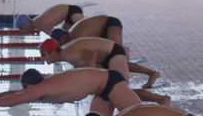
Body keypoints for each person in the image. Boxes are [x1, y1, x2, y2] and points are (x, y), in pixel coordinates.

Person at [38, 36, 169, 104]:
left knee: (121, 88)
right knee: (111, 86)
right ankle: (152, 76)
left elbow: (91, 54)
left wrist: (89, 77)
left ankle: (160, 99)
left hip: (112, 53)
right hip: (107, 55)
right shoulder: (66, 53)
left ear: (52, 52)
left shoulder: (68, 53)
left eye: (43, 54)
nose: (42, 58)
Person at [0, 67, 142, 116]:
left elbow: (12, 101)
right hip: (102, 91)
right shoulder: (43, 83)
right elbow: (15, 94)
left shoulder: (38, 89)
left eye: (25, 88)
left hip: (111, 82)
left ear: (29, 85)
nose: (24, 92)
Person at [48, 16, 162, 88]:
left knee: (117, 57)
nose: (62, 46)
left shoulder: (76, 36)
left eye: (60, 43)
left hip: (110, 24)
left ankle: (151, 73)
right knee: (111, 61)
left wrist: (88, 75)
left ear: (62, 37)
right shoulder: (71, 36)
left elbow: (90, 55)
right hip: (103, 31)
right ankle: (150, 73)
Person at [14, 4, 85, 36]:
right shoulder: (36, 21)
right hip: (68, 15)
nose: (21, 31)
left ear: (26, 24)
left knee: (83, 33)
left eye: (21, 28)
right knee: (67, 36)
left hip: (73, 12)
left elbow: (55, 38)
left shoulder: (39, 24)